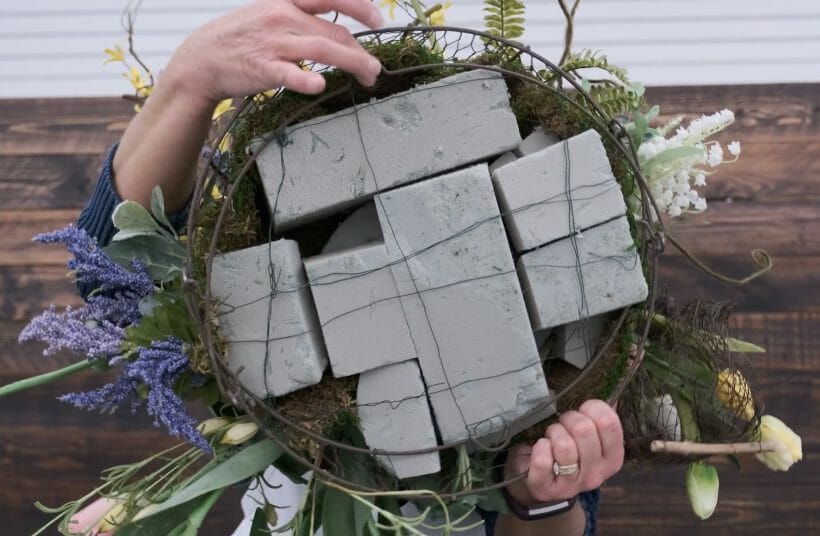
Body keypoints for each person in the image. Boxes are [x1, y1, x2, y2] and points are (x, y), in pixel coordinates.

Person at [76, 1, 625, 534]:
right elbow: (111, 278)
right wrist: (190, 79)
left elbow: (548, 491)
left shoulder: (572, 314)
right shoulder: (258, 274)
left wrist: (542, 496)